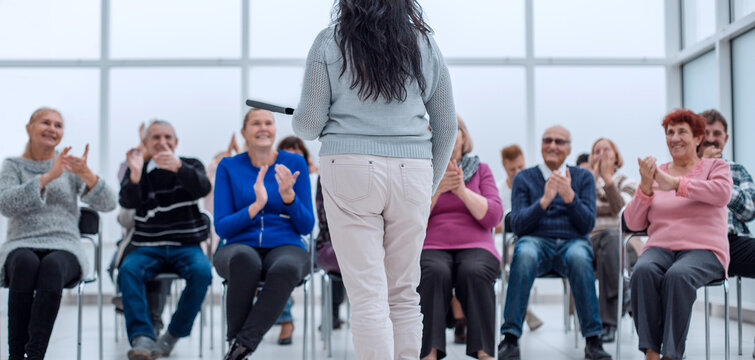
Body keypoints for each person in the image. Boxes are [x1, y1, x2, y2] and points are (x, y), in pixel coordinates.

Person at [292, 0, 457, 358]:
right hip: (412, 171)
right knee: (403, 292)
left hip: (348, 168)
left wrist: (311, 115)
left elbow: (306, 124)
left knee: (368, 294)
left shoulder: (329, 41)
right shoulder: (425, 44)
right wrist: (428, 185)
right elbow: (447, 125)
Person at [0, 107, 116, 359]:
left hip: (65, 246)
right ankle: (16, 355)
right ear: (29, 128)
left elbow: (108, 203)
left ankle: (35, 355)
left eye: (58, 125)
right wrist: (46, 177)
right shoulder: (13, 166)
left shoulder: (70, 166)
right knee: (25, 262)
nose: (52, 129)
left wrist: (87, 175)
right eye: (45, 122)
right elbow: (5, 204)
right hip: (21, 243)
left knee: (52, 265)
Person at [498, 125, 611, 360]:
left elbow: (587, 224)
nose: (552, 145)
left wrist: (570, 197)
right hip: (534, 240)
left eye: (559, 141)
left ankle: (593, 341)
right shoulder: (524, 178)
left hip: (573, 242)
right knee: (525, 254)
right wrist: (544, 201)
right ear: (540, 145)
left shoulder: (583, 177)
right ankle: (510, 339)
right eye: (547, 140)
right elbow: (517, 224)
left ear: (569, 148)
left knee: (580, 258)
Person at [625, 109, 731, 360]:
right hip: (660, 248)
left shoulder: (716, 167)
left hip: (704, 250)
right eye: (670, 132)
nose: (674, 137)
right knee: (642, 270)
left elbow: (721, 194)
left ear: (698, 138)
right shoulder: (657, 173)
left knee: (678, 275)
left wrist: (675, 183)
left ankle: (671, 356)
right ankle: (651, 353)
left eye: (682, 131)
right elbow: (631, 222)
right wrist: (645, 188)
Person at [213, 109, 314, 359]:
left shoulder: (294, 164)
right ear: (245, 132)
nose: (263, 128)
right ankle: (239, 346)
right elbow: (222, 227)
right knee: (245, 261)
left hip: (286, 243)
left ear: (275, 129)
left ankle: (239, 347)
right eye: (256, 123)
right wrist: (255, 206)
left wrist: (289, 198)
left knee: (288, 267)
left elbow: (306, 226)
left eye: (268, 123)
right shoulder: (228, 166)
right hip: (237, 244)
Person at [119, 119, 213, 360]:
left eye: (167, 137)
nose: (162, 142)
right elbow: (127, 202)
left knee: (202, 272)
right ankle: (143, 337)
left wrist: (179, 168)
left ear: (176, 141)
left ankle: (171, 335)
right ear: (147, 143)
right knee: (128, 269)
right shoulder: (139, 168)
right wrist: (137, 175)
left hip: (186, 245)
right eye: (156, 138)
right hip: (147, 246)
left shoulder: (190, 165)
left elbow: (203, 188)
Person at [418, 116, 502, 360]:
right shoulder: (424, 170)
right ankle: (428, 353)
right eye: (437, 130)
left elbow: (494, 216)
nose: (446, 135)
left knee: (474, 271)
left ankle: (484, 352)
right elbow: (412, 220)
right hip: (431, 245)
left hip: (477, 245)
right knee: (432, 271)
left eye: (452, 130)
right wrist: (438, 190)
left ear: (464, 137)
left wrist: (461, 191)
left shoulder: (481, 170)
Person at [697, 109, 755, 357]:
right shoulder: (685, 169)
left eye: (717, 133)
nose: (711, 138)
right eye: (706, 133)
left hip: (732, 241)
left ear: (726, 138)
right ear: (697, 137)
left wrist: (722, 183)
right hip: (697, 243)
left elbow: (750, 212)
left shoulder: (737, 170)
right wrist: (705, 171)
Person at [587, 138, 638, 343]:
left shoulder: (627, 182)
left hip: (621, 244)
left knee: (612, 239)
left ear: (616, 157)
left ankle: (608, 323)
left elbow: (623, 215)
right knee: (608, 238)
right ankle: (625, 292)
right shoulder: (583, 182)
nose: (601, 154)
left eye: (606, 150)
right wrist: (592, 180)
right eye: (596, 151)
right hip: (589, 242)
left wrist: (608, 180)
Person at [273, 135, 318, 345]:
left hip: (309, 241)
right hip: (280, 239)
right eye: (286, 151)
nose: (292, 157)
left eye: (297, 152)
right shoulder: (270, 180)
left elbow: (309, 224)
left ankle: (284, 319)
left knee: (283, 265)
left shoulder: (314, 180)